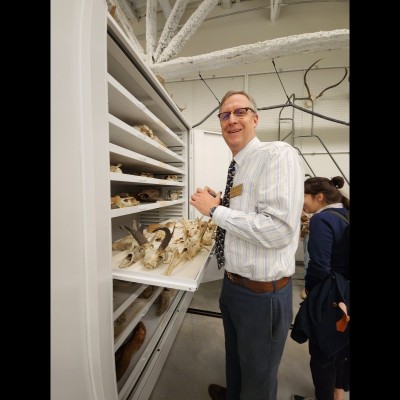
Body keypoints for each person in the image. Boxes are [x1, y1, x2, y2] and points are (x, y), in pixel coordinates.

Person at [189, 90, 304, 400]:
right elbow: (249, 216)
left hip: (261, 296)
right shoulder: (239, 166)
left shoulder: (276, 154)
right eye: (225, 115)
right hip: (233, 288)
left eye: (240, 112)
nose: (232, 120)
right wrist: (222, 201)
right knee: (237, 362)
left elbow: (278, 230)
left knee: (258, 377)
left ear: (255, 118)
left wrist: (215, 211)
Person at [292, 176, 350, 400]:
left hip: (329, 297)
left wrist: (311, 296)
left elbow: (318, 266)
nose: (301, 203)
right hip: (345, 293)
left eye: (303, 197)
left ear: (319, 197)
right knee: (340, 347)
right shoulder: (344, 214)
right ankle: (338, 393)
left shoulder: (322, 220)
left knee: (321, 355)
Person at [300, 211, 312, 299]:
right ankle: (307, 287)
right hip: (309, 232)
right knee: (307, 262)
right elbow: (303, 216)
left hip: (323, 231)